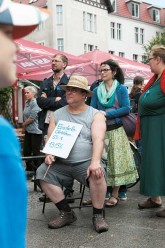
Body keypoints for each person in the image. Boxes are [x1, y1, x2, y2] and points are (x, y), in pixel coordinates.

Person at [0, 0, 49, 247]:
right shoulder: (1, 135)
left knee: (34, 154)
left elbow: (32, 116)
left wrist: (22, 123)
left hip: (33, 129)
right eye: (7, 34)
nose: (16, 48)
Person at [36, 75, 109, 233]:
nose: (68, 93)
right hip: (61, 162)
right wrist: (48, 153)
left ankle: (98, 215)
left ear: (83, 95)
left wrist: (95, 161)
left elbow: (99, 139)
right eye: (68, 90)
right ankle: (67, 213)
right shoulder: (58, 114)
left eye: (73, 90)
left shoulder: (95, 114)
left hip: (85, 162)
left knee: (97, 173)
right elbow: (50, 137)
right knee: (41, 173)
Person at [90, 59, 138, 207]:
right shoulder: (97, 90)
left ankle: (115, 194)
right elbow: (92, 109)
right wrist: (98, 116)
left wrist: (105, 114)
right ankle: (104, 193)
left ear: (114, 72)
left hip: (116, 130)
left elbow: (126, 108)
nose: (103, 73)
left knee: (116, 163)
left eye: (106, 70)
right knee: (104, 161)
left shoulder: (121, 89)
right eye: (101, 70)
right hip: (101, 131)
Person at [36, 54, 75, 201]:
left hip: (65, 122)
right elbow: (40, 101)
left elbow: (66, 102)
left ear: (64, 64)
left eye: (56, 61)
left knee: (65, 155)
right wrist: (54, 100)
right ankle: (51, 189)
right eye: (52, 60)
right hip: (47, 123)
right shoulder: (46, 81)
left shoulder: (69, 81)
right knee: (49, 154)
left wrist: (49, 100)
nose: (53, 63)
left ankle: (68, 190)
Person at [134, 45, 165, 217]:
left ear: (158, 59)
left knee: (162, 163)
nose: (148, 63)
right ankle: (155, 198)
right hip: (151, 128)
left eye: (150, 59)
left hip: (161, 127)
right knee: (153, 164)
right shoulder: (155, 79)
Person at [23, 86, 42, 174]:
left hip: (36, 131)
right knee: (26, 151)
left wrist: (23, 124)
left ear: (33, 94)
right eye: (25, 93)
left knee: (35, 152)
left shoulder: (35, 103)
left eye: (28, 93)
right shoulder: (27, 102)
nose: (26, 94)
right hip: (28, 130)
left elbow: (32, 118)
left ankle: (37, 171)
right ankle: (29, 169)